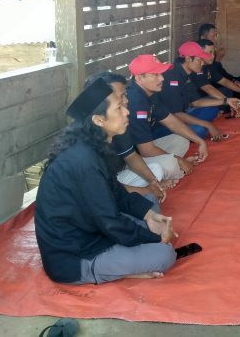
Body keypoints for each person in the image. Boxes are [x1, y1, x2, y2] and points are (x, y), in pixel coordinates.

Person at [35, 78, 177, 284]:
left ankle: (125, 261)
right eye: (119, 108)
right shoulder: (83, 160)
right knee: (165, 254)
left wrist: (149, 216)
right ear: (98, 120)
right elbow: (109, 221)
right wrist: (156, 238)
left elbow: (115, 192)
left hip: (93, 229)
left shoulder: (93, 145)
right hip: (74, 257)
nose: (126, 112)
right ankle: (107, 271)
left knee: (150, 205)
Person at [86, 72, 171, 202]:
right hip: (96, 200)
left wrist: (153, 183)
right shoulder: (85, 150)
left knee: (155, 172)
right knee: (147, 204)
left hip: (115, 179)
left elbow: (131, 156)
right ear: (98, 119)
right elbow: (106, 190)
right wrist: (149, 190)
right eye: (121, 98)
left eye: (125, 94)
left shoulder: (118, 124)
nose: (126, 101)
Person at [126, 54, 209, 178]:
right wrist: (179, 160)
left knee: (181, 140)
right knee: (170, 165)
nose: (162, 78)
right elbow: (146, 150)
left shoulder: (150, 93)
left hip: (144, 147)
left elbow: (171, 121)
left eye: (161, 73)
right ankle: (168, 171)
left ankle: (173, 167)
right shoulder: (135, 101)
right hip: (130, 159)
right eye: (155, 75)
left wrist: (200, 142)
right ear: (139, 78)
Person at [157, 41, 237, 141]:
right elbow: (176, 114)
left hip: (183, 114)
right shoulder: (172, 77)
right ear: (188, 58)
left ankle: (197, 128)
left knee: (213, 108)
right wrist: (207, 124)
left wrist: (226, 101)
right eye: (199, 60)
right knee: (199, 130)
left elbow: (196, 102)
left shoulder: (188, 73)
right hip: (167, 123)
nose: (202, 63)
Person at [198, 23, 240, 96]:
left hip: (217, 82)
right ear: (203, 38)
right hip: (207, 92)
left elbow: (221, 77)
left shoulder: (210, 53)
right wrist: (217, 60)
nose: (216, 39)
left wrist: (235, 82)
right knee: (228, 90)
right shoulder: (198, 63)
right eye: (213, 36)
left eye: (216, 36)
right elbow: (208, 86)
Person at [194, 39, 240, 117]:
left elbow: (223, 81)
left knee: (227, 90)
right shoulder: (195, 68)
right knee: (212, 108)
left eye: (213, 53)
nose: (213, 56)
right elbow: (208, 88)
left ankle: (223, 110)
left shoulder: (209, 65)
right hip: (198, 100)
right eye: (209, 53)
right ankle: (220, 111)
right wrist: (227, 102)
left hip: (204, 97)